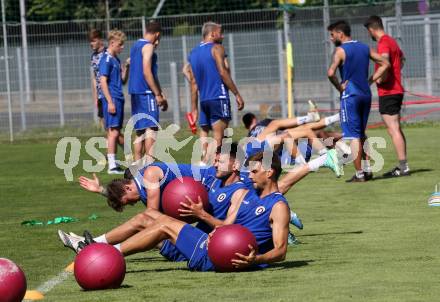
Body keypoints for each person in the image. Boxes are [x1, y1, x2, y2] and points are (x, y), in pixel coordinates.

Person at [61, 152, 291, 272]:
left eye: (254, 171)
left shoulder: (277, 205)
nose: (249, 174)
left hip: (221, 256)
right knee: (148, 218)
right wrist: (210, 226)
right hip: (212, 242)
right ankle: (99, 247)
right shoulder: (246, 195)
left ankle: (105, 252)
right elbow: (226, 225)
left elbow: (281, 251)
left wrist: (256, 259)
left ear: (269, 172)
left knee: (158, 223)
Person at [327, 20, 390, 182]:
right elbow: (385, 63)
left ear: (340, 34)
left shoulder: (340, 51)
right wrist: (370, 80)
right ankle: (367, 170)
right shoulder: (364, 47)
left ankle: (360, 174)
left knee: (353, 136)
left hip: (350, 96)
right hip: (365, 94)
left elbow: (330, 73)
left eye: (332, 35)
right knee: (361, 133)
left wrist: (340, 88)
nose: (331, 38)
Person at [187, 22, 245, 162]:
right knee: (219, 138)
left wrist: (194, 108)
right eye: (220, 32)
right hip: (218, 97)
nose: (223, 35)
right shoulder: (217, 48)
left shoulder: (193, 53)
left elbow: (193, 82)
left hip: (204, 100)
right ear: (212, 34)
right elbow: (222, 71)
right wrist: (236, 94)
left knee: (205, 131)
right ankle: (208, 165)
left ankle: (203, 161)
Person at [364, 15, 410, 177]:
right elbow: (402, 59)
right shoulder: (392, 41)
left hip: (389, 92)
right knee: (396, 128)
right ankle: (403, 165)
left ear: (371, 29)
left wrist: (373, 80)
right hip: (395, 90)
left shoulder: (383, 43)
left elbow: (385, 63)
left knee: (393, 129)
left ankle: (403, 167)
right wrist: (395, 73)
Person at [128, 21, 167, 164]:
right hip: (146, 92)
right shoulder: (148, 46)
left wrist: (160, 92)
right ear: (157, 34)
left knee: (140, 130)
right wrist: (157, 94)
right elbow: (146, 71)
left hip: (135, 93)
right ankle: (150, 163)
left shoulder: (135, 45)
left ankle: (136, 164)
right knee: (151, 128)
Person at [99, 30, 130, 174]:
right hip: (113, 99)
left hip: (119, 98)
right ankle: (112, 166)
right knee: (113, 133)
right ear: (112, 43)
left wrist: (127, 68)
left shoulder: (115, 59)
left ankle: (131, 159)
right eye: (120, 44)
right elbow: (102, 81)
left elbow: (122, 81)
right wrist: (110, 102)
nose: (122, 47)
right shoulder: (106, 59)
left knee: (117, 132)